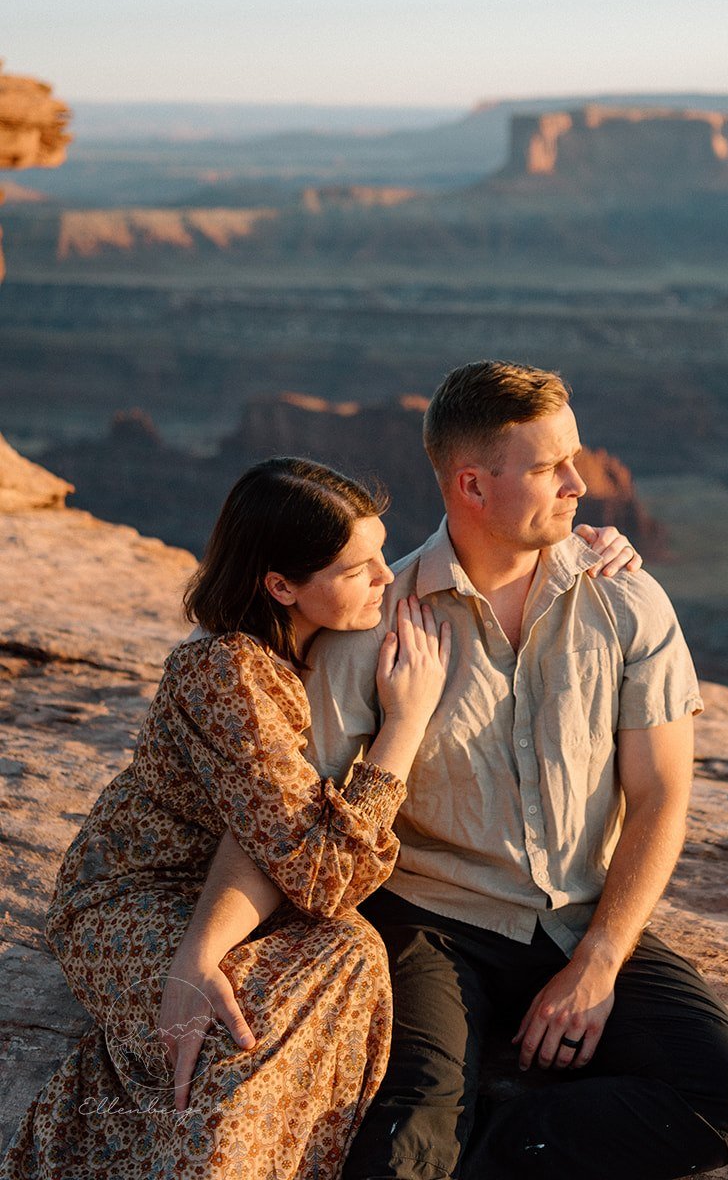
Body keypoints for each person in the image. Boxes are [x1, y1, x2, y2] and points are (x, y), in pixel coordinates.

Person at [185, 363, 728, 1179]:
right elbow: (287, 817)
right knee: (403, 1148)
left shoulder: (628, 602)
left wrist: (599, 959)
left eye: (572, 458)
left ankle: (489, 1141)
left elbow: (661, 796)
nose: (579, 483)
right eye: (547, 468)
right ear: (472, 485)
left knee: (727, 1099)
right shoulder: (371, 626)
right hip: (431, 920)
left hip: (580, 912)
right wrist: (201, 952)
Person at [0, 457, 451, 1180]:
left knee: (351, 955)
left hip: (234, 904)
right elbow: (322, 876)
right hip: (131, 899)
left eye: (381, 554)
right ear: (280, 586)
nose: (384, 579)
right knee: (223, 1040)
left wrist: (586, 550)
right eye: (357, 567)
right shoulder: (227, 672)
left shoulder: (308, 649)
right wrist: (405, 725)